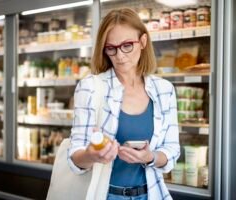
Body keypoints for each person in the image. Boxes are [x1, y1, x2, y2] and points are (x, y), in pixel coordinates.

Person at [68, 8, 180, 200]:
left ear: (143, 42)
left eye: (127, 45)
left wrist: (150, 157)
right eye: (111, 48)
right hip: (107, 195)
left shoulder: (164, 90)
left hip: (151, 194)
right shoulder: (91, 88)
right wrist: (92, 155)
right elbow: (75, 158)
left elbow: (172, 151)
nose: (119, 56)